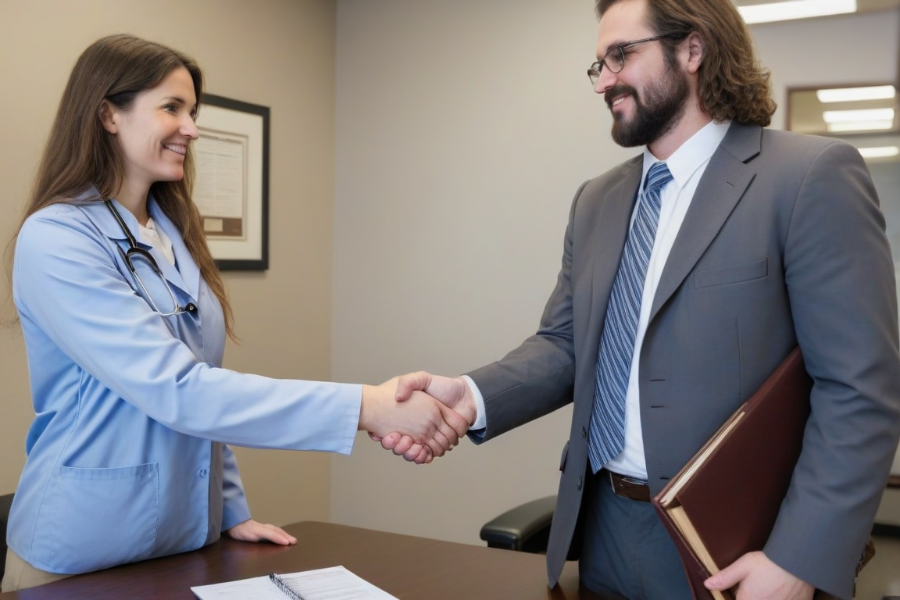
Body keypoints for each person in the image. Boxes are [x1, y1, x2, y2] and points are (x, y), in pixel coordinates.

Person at [377, 0, 900, 598]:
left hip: (737, 544)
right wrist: (467, 397)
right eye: (597, 64)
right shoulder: (596, 200)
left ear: (692, 49)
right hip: (603, 528)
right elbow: (566, 346)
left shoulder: (808, 178)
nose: (604, 80)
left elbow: (861, 388)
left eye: (621, 55)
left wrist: (798, 560)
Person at [1, 34, 467, 593]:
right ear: (108, 114)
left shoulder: (171, 231)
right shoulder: (56, 238)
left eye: (192, 111)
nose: (192, 128)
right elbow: (179, 389)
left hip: (183, 542)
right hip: (80, 552)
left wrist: (228, 509)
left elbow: (207, 383)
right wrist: (370, 406)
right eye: (171, 108)